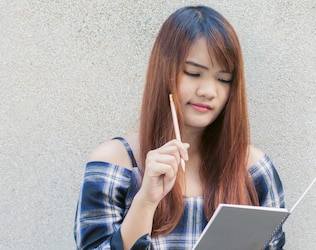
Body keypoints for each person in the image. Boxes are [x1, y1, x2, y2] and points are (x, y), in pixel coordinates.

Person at [74, 5, 285, 250]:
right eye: (194, 73)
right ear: (164, 73)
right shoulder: (115, 164)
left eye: (223, 79)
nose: (208, 91)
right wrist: (145, 201)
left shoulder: (253, 169)